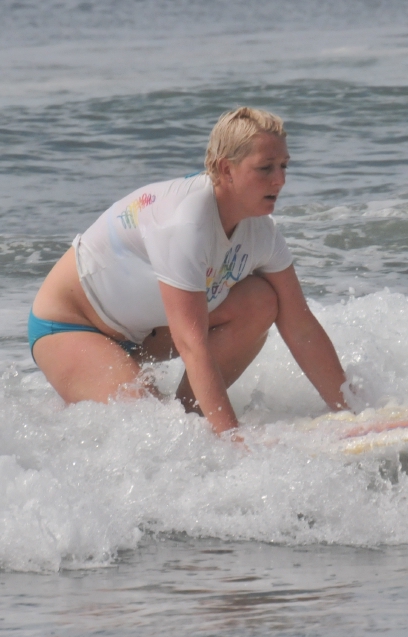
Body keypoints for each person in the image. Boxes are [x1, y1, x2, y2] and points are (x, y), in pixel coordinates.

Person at [28, 107, 349, 434]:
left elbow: (301, 326)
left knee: (261, 300)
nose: (279, 180)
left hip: (142, 334)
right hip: (72, 327)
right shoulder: (185, 221)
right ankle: (205, 429)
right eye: (265, 168)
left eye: (283, 166)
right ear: (227, 169)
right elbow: (192, 344)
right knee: (156, 430)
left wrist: (354, 413)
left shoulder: (260, 231)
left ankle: (193, 418)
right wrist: (235, 443)